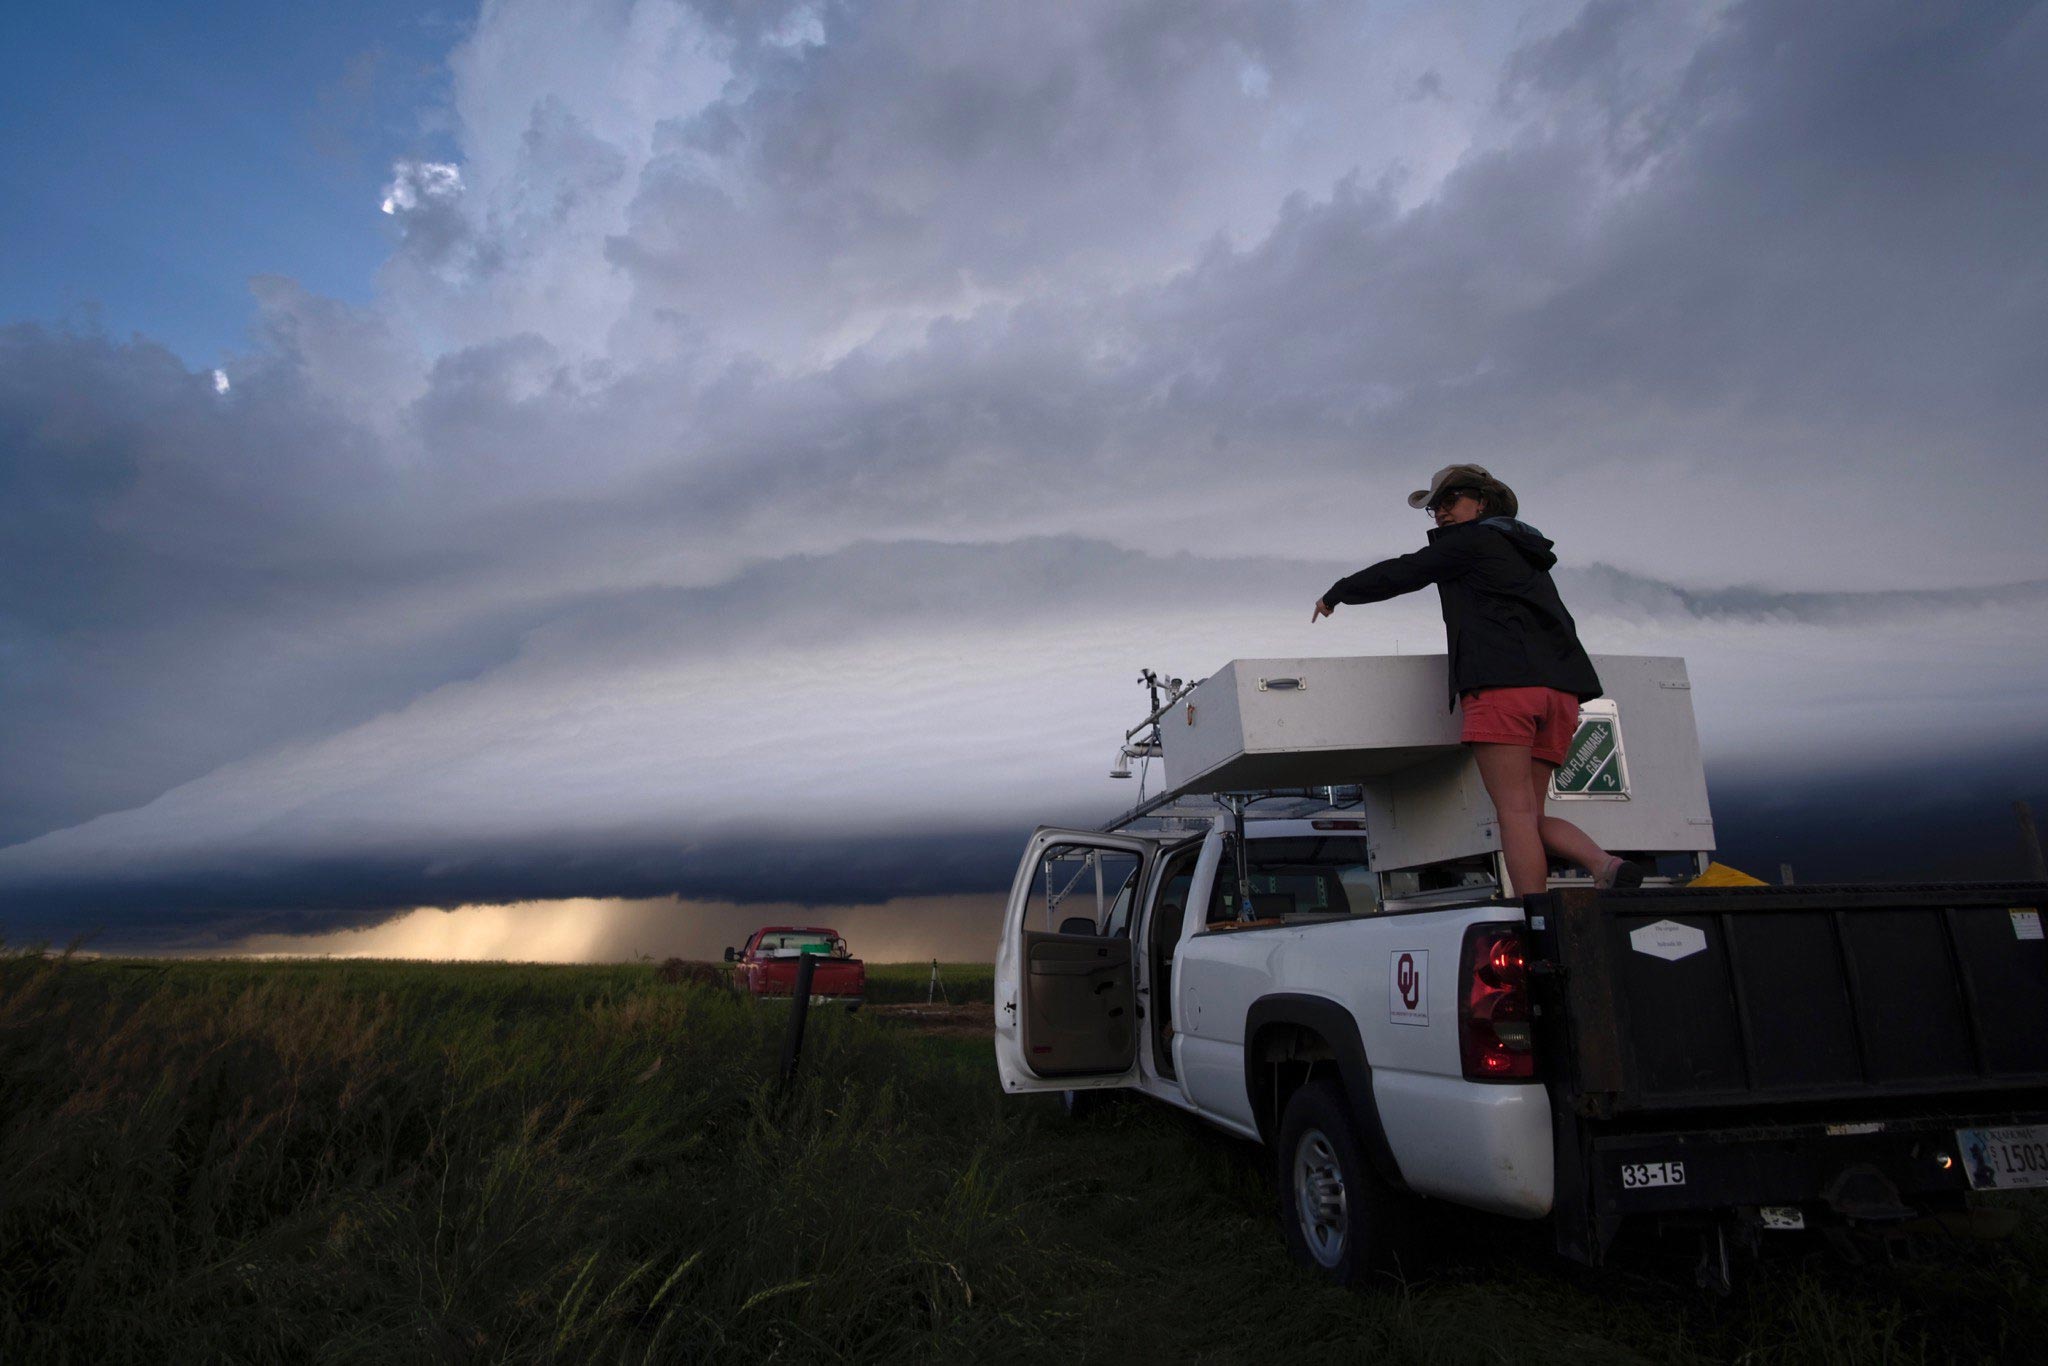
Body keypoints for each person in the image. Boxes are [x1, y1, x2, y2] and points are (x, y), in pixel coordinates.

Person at [1310, 463, 1645, 895]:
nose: (1442, 513)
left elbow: (1403, 571)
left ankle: (1534, 918)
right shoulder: (1526, 553)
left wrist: (1337, 593)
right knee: (1531, 814)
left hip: (1504, 688)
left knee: (1514, 814)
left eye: (1450, 501)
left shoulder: (1472, 542)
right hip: (1560, 692)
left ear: (1481, 502)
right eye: (1434, 508)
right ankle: (1606, 865)